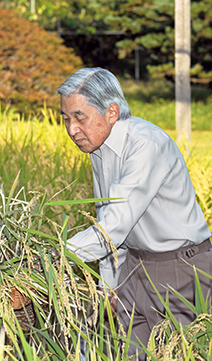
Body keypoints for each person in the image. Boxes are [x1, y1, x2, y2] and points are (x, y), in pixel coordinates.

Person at [56, 67, 212, 359]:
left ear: (111, 112)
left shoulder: (145, 145)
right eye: (65, 118)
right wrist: (109, 287)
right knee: (131, 354)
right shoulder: (99, 148)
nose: (71, 129)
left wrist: (51, 254)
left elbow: (113, 228)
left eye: (79, 117)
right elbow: (107, 220)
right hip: (133, 270)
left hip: (180, 270)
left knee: (180, 353)